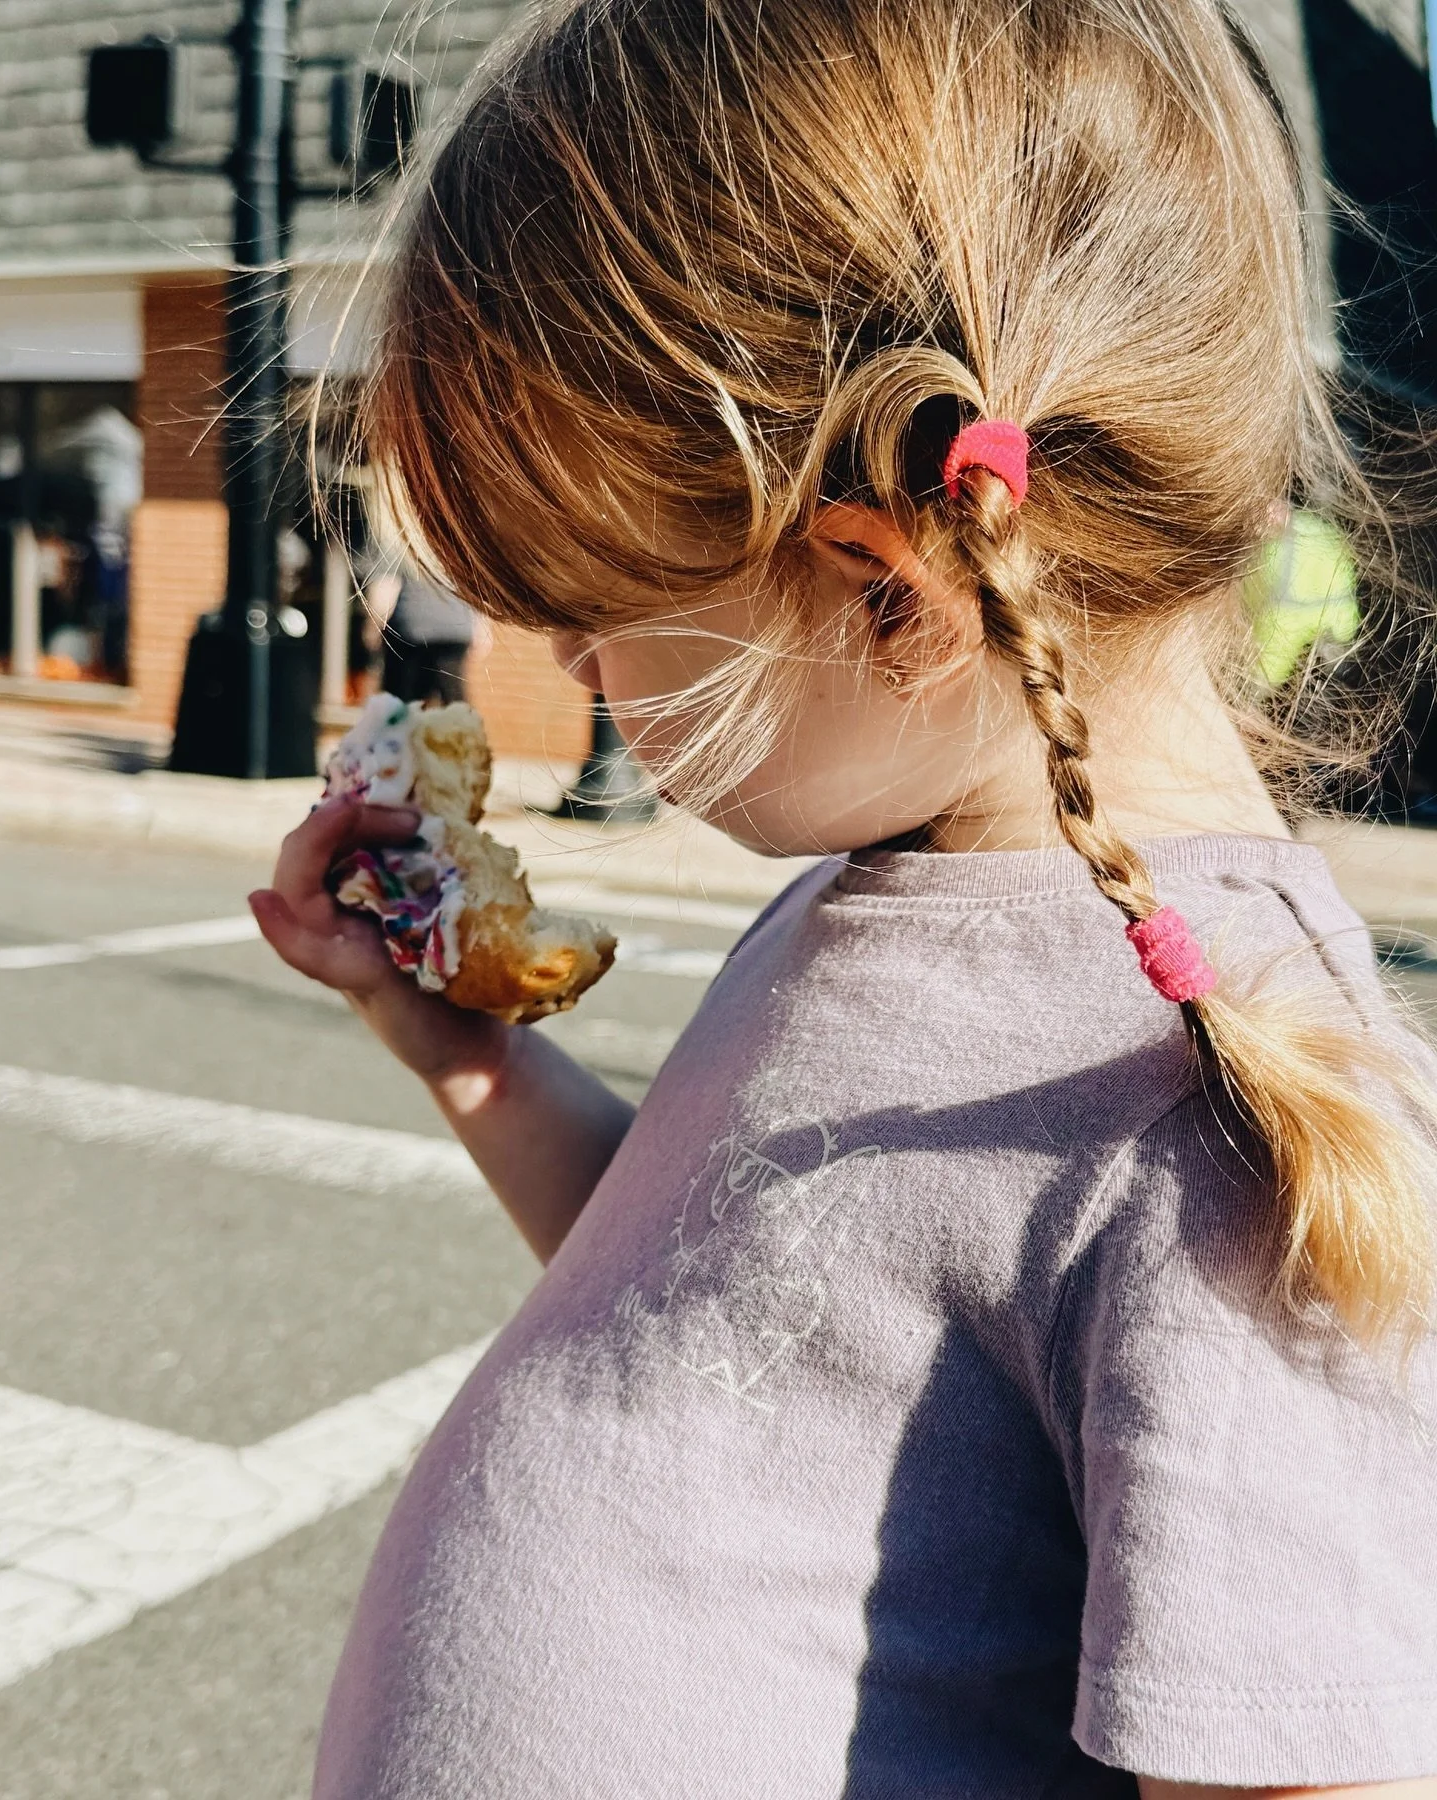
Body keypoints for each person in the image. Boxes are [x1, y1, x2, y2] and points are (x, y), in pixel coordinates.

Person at [248, 0, 1437, 1792]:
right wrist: (466, 1055)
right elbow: (714, 1301)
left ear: (887, 592)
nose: (570, 672)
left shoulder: (1213, 1116)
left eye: (590, 627)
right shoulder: (878, 888)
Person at [363, 550, 488, 705]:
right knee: (453, 697)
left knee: (403, 699)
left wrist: (373, 629)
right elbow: (476, 590)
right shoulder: (458, 544)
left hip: (412, 629)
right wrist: (480, 631)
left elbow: (385, 588)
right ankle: (461, 726)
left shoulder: (404, 540)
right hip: (456, 629)